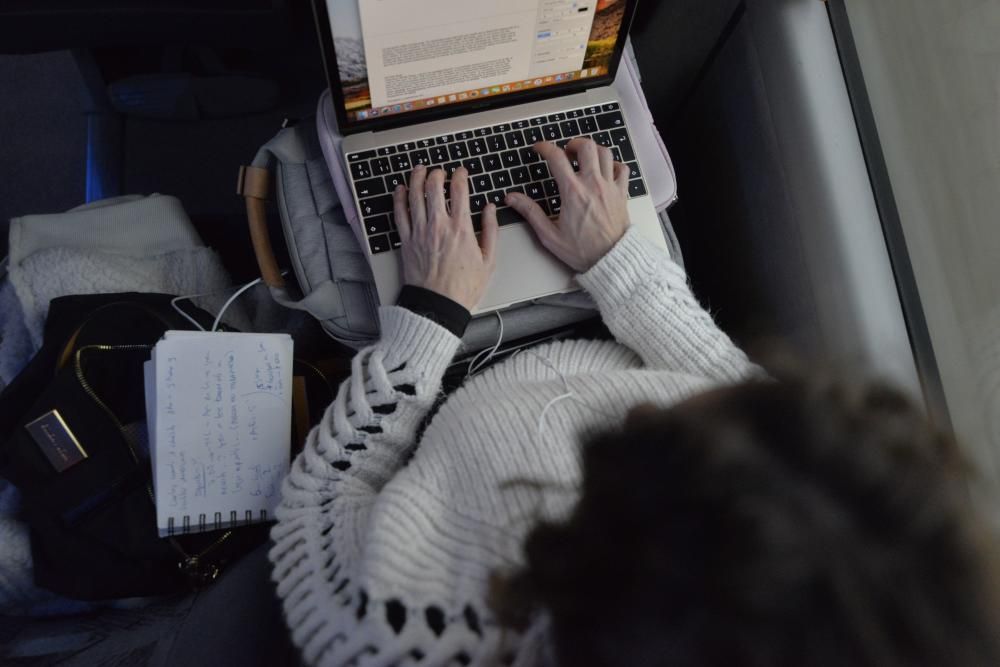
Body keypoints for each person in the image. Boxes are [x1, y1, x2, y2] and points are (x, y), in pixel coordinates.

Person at [268, 138, 1000, 666]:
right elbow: (726, 378)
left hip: (433, 382)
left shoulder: (403, 635)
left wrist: (424, 317)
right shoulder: (813, 499)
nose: (643, 411)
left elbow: (320, 500)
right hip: (586, 317)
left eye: (650, 444)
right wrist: (620, 263)